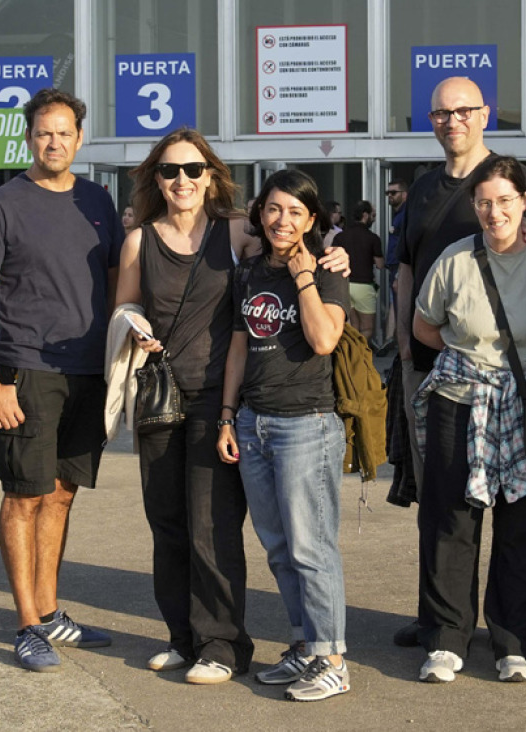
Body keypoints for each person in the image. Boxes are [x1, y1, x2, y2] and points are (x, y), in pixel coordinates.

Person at [113, 128, 349, 685]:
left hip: (220, 401)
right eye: (170, 171)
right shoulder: (138, 241)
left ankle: (222, 644)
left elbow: (286, 241)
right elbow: (122, 303)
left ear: (211, 176)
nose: (182, 181)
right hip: (159, 397)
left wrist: (329, 253)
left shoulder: (237, 231)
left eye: (193, 170)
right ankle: (183, 637)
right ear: (157, 179)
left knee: (213, 527)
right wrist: (132, 323)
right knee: (167, 524)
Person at [393, 76, 526, 648]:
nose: (452, 121)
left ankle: (510, 632)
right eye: (441, 112)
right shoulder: (421, 189)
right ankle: (438, 620)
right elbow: (407, 271)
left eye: (463, 110)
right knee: (442, 503)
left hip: (510, 379)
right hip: (433, 368)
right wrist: (404, 352)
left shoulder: (517, 179)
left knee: (517, 512)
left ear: (484, 114)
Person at [410, 155, 526, 686]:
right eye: (485, 202)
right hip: (460, 401)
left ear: (525, 202)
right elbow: (424, 327)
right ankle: (445, 639)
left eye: (505, 201)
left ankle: (514, 641)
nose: (495, 212)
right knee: (451, 521)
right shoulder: (454, 259)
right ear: (474, 206)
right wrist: (469, 362)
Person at [0, 88, 120, 673]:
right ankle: (27, 624)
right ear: (30, 138)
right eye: (44, 132)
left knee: (61, 492)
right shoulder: (2, 205)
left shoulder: (98, 201)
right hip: (28, 370)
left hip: (88, 375)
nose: (55, 141)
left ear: (80, 138)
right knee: (24, 496)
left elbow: (116, 286)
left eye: (65, 132)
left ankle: (51, 612)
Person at [216, 169, 352, 702]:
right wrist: (228, 416)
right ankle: (303, 646)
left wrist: (303, 276)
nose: (283, 220)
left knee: (312, 547)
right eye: (274, 209)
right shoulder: (246, 273)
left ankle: (332, 658)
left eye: (296, 212)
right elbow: (238, 347)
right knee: (278, 548)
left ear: (312, 220)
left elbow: (323, 340)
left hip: (306, 424)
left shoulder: (326, 270)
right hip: (254, 424)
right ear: (260, 212)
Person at [333, 200, 383, 339]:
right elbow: (380, 264)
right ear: (365, 215)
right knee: (367, 328)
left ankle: (351, 356)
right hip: (364, 286)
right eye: (373, 215)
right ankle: (360, 357)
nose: (374, 219)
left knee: (353, 327)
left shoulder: (340, 236)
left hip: (344, 284)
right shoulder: (373, 238)